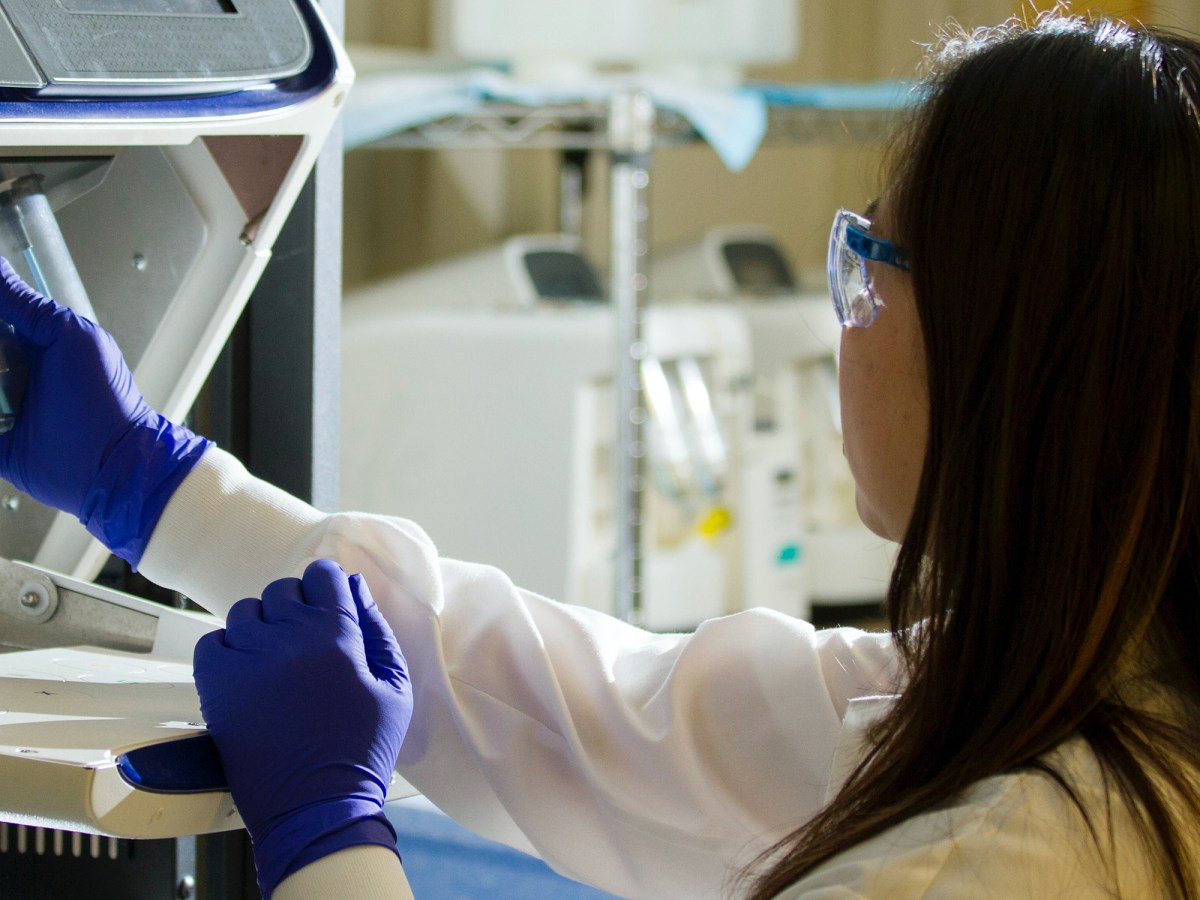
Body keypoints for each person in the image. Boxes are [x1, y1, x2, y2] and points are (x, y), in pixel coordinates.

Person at [1, 8, 1199, 898]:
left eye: (865, 264)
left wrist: (330, 837)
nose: (845, 320)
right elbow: (597, 714)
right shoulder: (1042, 694)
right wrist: (153, 483)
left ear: (1005, 358)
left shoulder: (995, 868)